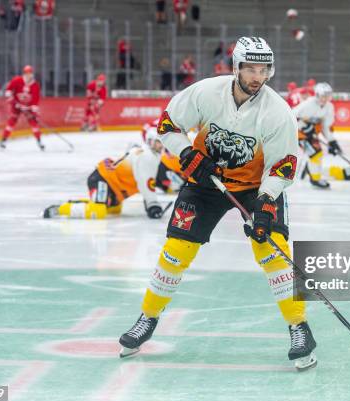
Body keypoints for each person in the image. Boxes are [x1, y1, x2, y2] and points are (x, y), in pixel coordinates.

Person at [118, 36, 317, 372]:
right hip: (205, 182)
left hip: (256, 187)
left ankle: (299, 327)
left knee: (272, 251)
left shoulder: (278, 112)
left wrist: (266, 204)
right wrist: (185, 152)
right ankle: (148, 318)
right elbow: (167, 125)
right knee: (176, 251)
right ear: (236, 67)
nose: (257, 76)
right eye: (251, 68)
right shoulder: (206, 92)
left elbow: (283, 165)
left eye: (264, 69)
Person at [43, 130, 166, 220]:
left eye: (162, 142)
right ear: (150, 141)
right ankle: (59, 209)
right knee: (98, 211)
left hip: (113, 187)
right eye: (157, 142)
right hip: (103, 179)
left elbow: (144, 180)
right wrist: (152, 204)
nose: (161, 145)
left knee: (114, 210)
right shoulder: (147, 156)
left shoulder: (147, 153)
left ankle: (80, 203)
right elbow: (145, 182)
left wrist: (149, 201)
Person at [292, 82, 341, 189]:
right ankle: (315, 179)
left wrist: (332, 141)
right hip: (298, 134)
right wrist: (303, 127)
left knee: (317, 154)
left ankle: (311, 171)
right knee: (316, 154)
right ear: (317, 94)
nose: (325, 98)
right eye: (323, 95)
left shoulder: (329, 107)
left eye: (327, 95)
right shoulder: (308, 104)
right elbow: (291, 115)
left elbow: (325, 127)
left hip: (311, 135)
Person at [0, 65, 44, 151]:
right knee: (12, 121)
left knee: (34, 122)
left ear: (32, 74)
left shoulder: (35, 85)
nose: (28, 75)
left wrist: (32, 109)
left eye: (30, 73)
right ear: (24, 73)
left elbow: (35, 99)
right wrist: (14, 103)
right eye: (26, 73)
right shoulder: (17, 80)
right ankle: (3, 140)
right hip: (16, 106)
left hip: (28, 107)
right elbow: (8, 92)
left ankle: (39, 141)